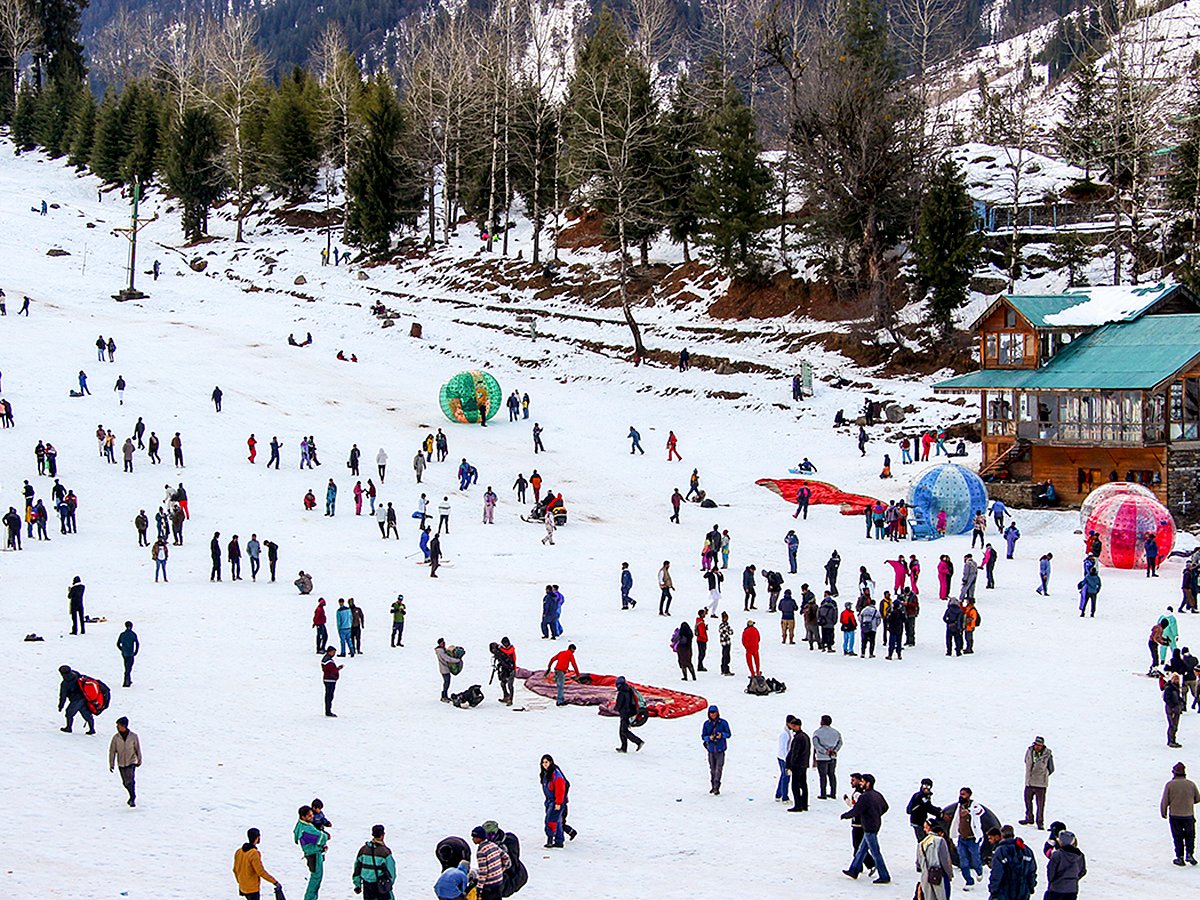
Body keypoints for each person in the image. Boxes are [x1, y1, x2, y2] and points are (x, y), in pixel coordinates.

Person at [841, 773, 891, 883]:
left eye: (862, 781)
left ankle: (884, 875)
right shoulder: (877, 794)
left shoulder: (865, 797)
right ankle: (854, 870)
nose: (861, 783)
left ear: (868, 783)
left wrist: (845, 815)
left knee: (875, 852)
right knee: (861, 850)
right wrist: (876, 814)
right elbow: (885, 807)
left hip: (869, 827)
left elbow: (856, 811)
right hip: (875, 824)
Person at [1162, 761, 1199, 865]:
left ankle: (1180, 857)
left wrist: (1163, 811)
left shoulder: (1170, 785)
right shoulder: (1191, 784)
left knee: (1177, 836)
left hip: (1175, 815)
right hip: (1188, 815)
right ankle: (1190, 854)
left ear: (1174, 773)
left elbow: (1165, 800)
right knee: (1190, 835)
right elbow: (1197, 798)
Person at [987, 824, 1038, 899]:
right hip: (1022, 891)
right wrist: (1031, 886)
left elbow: (997, 873)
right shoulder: (1026, 850)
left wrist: (993, 890)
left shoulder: (1001, 851)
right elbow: (1032, 871)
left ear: (1001, 836)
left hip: (1004, 891)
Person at [233, 827, 280, 900]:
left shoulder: (239, 851)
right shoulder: (254, 853)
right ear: (257, 838)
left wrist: (240, 883)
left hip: (243, 887)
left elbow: (235, 870)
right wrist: (275, 882)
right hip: (252, 889)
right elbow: (260, 872)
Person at [294, 806, 329, 900]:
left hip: (314, 854)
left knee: (316, 878)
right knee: (316, 879)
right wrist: (325, 837)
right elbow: (320, 837)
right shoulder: (306, 829)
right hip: (314, 855)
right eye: (309, 816)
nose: (312, 817)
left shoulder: (303, 825)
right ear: (303, 817)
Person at [352, 824, 396, 899]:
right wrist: (388, 885)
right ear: (382, 835)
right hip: (380, 886)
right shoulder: (385, 852)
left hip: (367, 887)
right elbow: (391, 872)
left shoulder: (363, 850)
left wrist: (357, 884)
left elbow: (357, 868)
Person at [954, 787, 986, 888]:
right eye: (960, 794)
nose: (961, 796)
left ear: (969, 795)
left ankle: (979, 871)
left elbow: (981, 811)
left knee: (975, 859)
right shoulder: (959, 806)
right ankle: (969, 881)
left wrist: (969, 811)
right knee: (963, 861)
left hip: (972, 839)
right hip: (962, 838)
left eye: (963, 794)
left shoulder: (974, 805)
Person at [539, 754, 573, 848]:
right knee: (557, 821)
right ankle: (559, 841)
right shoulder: (546, 774)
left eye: (546, 762)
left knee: (550, 820)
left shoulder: (556, 775)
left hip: (556, 802)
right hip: (550, 801)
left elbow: (560, 790)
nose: (544, 764)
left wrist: (558, 803)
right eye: (543, 762)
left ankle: (550, 839)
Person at [107, 716, 142, 807]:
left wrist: (139, 760)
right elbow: (112, 751)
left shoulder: (133, 736)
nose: (117, 727)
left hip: (131, 761)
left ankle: (132, 798)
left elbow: (137, 748)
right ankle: (132, 795)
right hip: (121, 763)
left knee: (130, 780)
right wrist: (111, 764)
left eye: (119, 725)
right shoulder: (116, 738)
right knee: (125, 782)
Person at [1022, 736, 1055, 830]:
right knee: (1027, 801)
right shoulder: (1029, 751)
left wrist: (1043, 776)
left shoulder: (1047, 755)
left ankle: (1040, 822)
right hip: (1029, 782)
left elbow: (1051, 768)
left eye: (1039, 745)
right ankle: (1029, 818)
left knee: (1040, 804)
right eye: (1036, 745)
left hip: (1041, 784)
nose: (1037, 747)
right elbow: (1026, 761)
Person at [916, 818, 954, 900]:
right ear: (941, 833)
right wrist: (949, 874)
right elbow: (945, 861)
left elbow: (918, 864)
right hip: (939, 875)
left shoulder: (921, 843)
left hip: (925, 877)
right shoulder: (940, 840)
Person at [471, 825, 511, 899]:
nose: (472, 839)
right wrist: (500, 871)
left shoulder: (481, 851)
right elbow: (506, 858)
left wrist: (479, 888)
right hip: (499, 882)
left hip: (489, 886)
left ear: (479, 838)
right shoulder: (493, 845)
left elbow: (483, 871)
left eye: (474, 837)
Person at [1045, 830, 1086, 899]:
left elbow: (1051, 872)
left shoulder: (1057, 855)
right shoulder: (1080, 855)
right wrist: (1074, 879)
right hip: (1072, 889)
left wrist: (1053, 882)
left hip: (1057, 888)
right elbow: (1082, 871)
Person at [701, 705, 731, 795]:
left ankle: (716, 786)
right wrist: (709, 738)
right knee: (712, 769)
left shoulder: (723, 723)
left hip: (720, 750)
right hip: (711, 750)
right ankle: (713, 785)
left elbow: (728, 734)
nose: (712, 714)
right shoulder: (706, 724)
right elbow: (703, 736)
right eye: (711, 713)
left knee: (719, 769)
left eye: (714, 713)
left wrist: (721, 735)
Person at [57, 665, 95, 734]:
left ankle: (68, 728)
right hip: (84, 698)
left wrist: (60, 706)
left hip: (76, 700)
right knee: (86, 714)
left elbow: (63, 696)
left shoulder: (65, 683)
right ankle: (92, 729)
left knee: (69, 713)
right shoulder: (76, 674)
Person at [813, 715, 842, 799]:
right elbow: (840, 743)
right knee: (832, 775)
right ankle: (833, 793)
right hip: (832, 757)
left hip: (822, 757)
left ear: (822, 722)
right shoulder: (836, 732)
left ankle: (823, 793)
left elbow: (816, 744)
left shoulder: (817, 732)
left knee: (823, 776)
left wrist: (824, 751)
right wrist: (835, 750)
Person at [785, 716, 811, 812]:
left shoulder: (798, 738)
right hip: (804, 764)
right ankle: (804, 804)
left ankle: (798, 805)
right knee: (803, 784)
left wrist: (790, 764)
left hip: (797, 765)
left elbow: (794, 752)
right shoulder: (806, 736)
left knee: (795, 785)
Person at [116, 621, 139, 687]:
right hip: (130, 653)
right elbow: (137, 643)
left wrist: (122, 649)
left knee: (126, 666)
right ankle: (126, 682)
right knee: (128, 668)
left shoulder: (122, 634)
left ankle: (128, 680)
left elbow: (118, 644)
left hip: (124, 653)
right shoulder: (133, 634)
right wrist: (136, 651)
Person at [321, 647, 342, 717]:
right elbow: (332, 671)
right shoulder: (329, 661)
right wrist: (337, 670)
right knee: (329, 696)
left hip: (327, 679)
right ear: (329, 652)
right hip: (330, 680)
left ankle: (328, 710)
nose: (334, 654)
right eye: (333, 652)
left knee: (328, 695)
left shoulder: (325, 659)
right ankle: (328, 711)